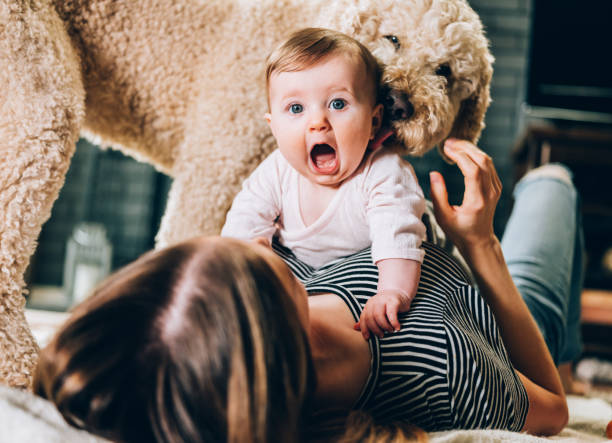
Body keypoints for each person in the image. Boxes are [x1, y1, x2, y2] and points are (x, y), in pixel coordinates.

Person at [35, 138, 583, 442]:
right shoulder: (443, 369)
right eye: (236, 257)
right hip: (501, 320)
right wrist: (481, 245)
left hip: (447, 277)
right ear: (273, 320)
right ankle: (565, 345)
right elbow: (555, 412)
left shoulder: (292, 277)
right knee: (552, 186)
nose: (244, 239)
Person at [221, 28, 426, 339]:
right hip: (302, 278)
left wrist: (392, 293)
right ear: (273, 127)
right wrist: (248, 257)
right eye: (296, 109)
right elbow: (244, 222)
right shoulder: (276, 171)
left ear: (373, 122)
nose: (317, 122)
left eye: (338, 104)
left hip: (366, 279)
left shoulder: (383, 173)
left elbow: (397, 235)